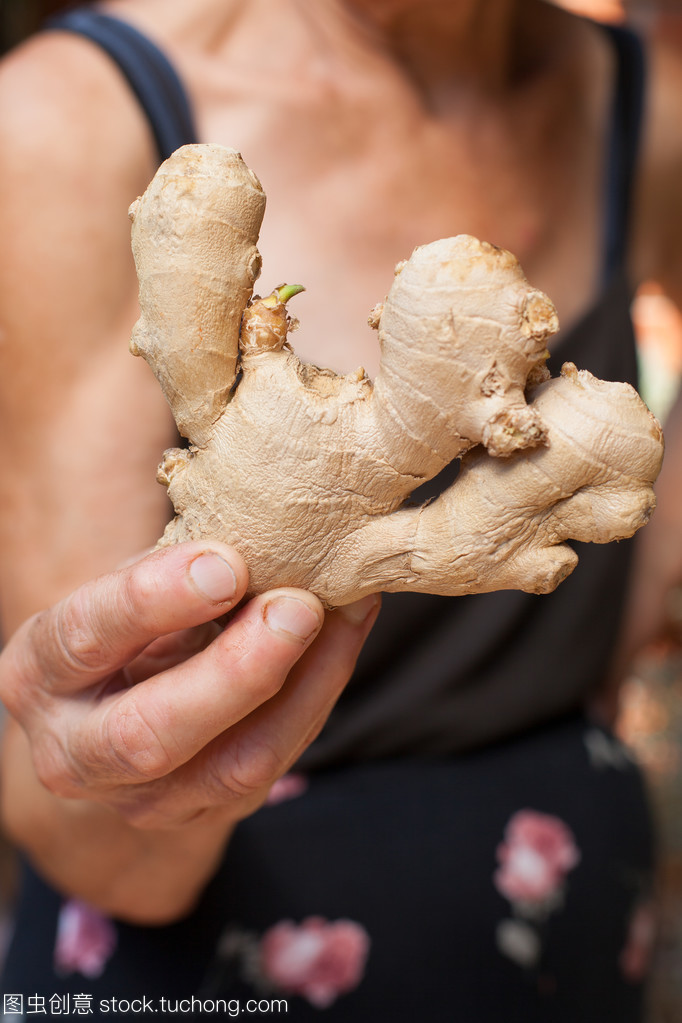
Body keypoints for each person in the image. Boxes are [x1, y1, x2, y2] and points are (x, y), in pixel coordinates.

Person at [0, 1, 680, 1019]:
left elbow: (628, 586)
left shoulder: (640, 107)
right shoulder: (67, 126)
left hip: (565, 959)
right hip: (210, 977)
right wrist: (120, 759)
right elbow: (93, 837)